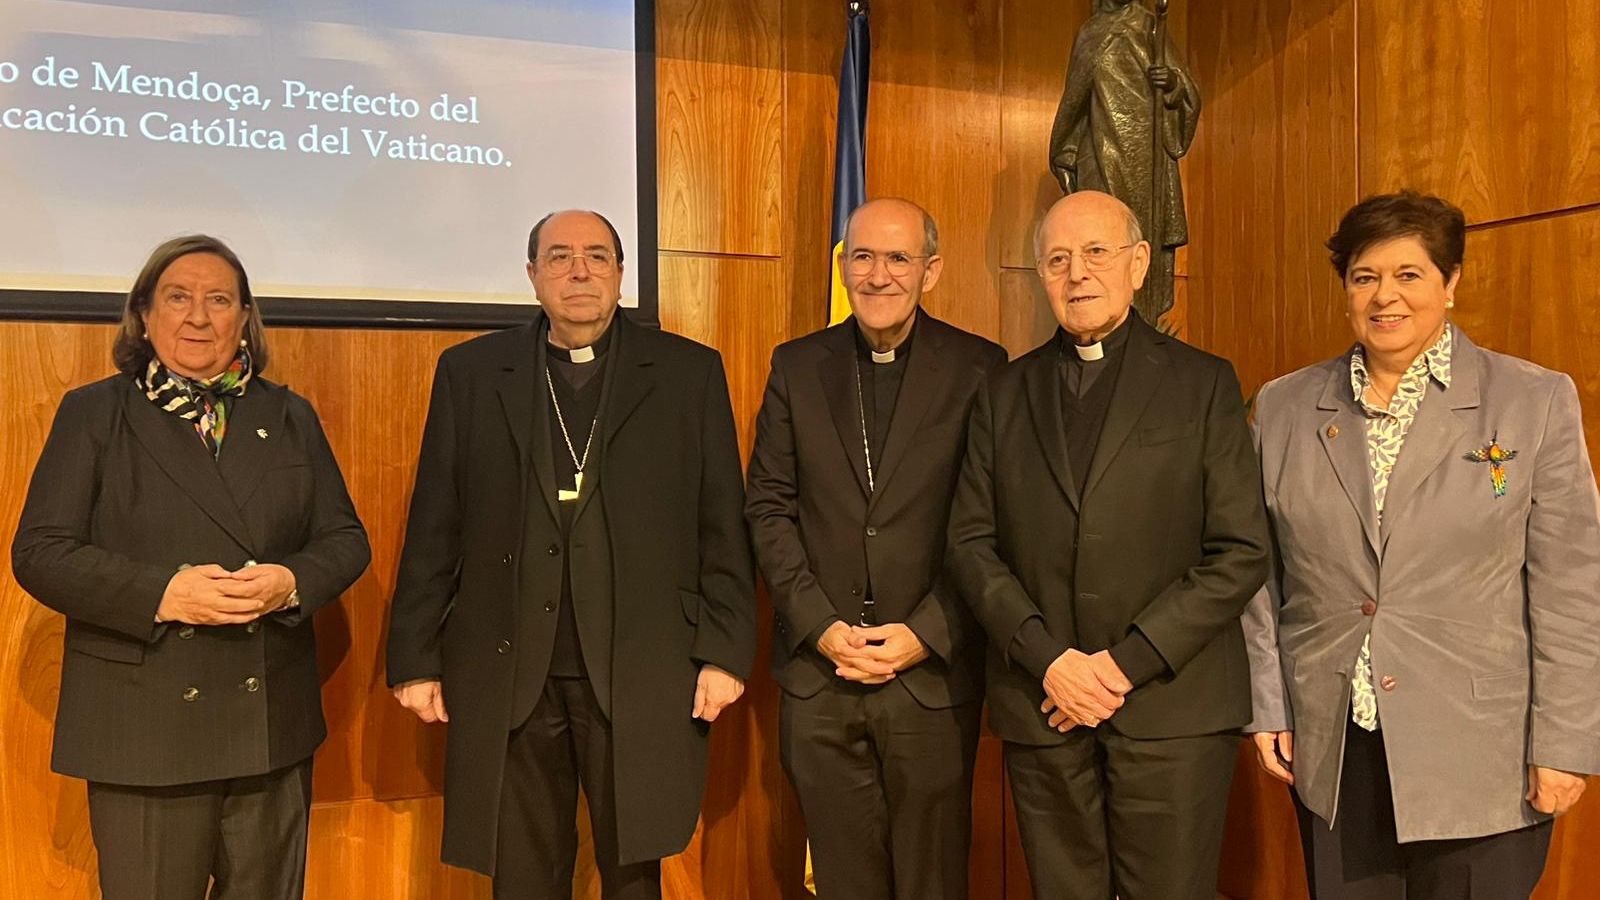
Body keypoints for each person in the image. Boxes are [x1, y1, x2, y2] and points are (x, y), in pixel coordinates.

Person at [385, 209, 756, 898]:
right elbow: (436, 521)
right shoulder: (471, 372)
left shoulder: (688, 372)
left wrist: (726, 653)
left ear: (621, 273)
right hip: (508, 668)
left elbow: (721, 526)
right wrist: (414, 656)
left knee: (635, 873)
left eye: (596, 256)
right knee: (522, 876)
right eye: (559, 257)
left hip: (645, 665)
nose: (579, 271)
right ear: (532, 274)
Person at [1243, 191, 1600, 897]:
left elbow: (1571, 584)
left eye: (1409, 274)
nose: (1386, 296)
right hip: (1337, 743)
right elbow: (1259, 574)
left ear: (1450, 281)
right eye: (1365, 277)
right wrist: (1269, 705)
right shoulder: (1283, 407)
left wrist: (1564, 742)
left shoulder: (1532, 399)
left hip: (1484, 752)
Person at [11, 234, 371, 900]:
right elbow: (40, 552)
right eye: (178, 298)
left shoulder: (288, 415)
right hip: (143, 732)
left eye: (219, 300)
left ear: (245, 318)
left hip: (269, 731)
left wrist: (291, 583)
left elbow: (344, 539)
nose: (198, 317)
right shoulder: (95, 413)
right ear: (145, 315)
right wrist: (162, 593)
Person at [946, 190, 1268, 900]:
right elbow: (970, 544)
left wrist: (1122, 666)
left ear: (1139, 263)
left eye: (1096, 252)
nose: (1078, 274)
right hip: (1046, 706)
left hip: (1172, 711)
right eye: (1057, 259)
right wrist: (1049, 661)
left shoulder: (1203, 383)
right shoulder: (1004, 392)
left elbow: (1241, 550)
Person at [746, 198, 1006, 899]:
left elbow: (993, 521)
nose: (878, 274)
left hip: (930, 677)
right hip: (821, 674)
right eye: (862, 257)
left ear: (931, 270)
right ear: (843, 268)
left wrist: (926, 633)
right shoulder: (797, 365)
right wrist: (822, 627)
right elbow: (768, 508)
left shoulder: (980, 368)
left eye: (898, 258)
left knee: (933, 882)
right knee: (842, 880)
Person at [1048, 0, 1199, 323]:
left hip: (1144, 153)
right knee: (1097, 237)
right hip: (1097, 152)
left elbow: (1186, 92)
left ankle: (1141, 321)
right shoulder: (1089, 32)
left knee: (1141, 236)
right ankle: (1097, 317)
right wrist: (1066, 151)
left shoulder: (1150, 25)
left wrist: (1171, 84)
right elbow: (1075, 101)